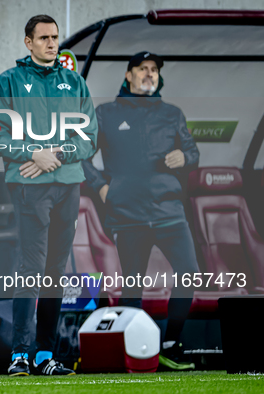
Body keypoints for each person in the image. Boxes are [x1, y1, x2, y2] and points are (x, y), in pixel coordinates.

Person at [0, 15, 98, 376]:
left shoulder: (75, 82)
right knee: (31, 268)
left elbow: (90, 136)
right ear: (28, 42)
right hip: (29, 185)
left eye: (55, 38)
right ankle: (20, 354)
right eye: (44, 38)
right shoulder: (9, 81)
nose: (52, 44)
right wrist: (34, 154)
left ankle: (44, 356)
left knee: (55, 272)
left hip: (68, 183)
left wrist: (57, 155)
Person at [81, 51, 200, 370]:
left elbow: (191, 151)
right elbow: (81, 156)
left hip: (169, 212)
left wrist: (184, 158)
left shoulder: (172, 114)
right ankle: (129, 353)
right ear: (129, 75)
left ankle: (171, 345)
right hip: (128, 214)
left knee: (189, 273)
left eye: (154, 70)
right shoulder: (105, 113)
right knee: (133, 284)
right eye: (142, 69)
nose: (149, 74)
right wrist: (103, 188)